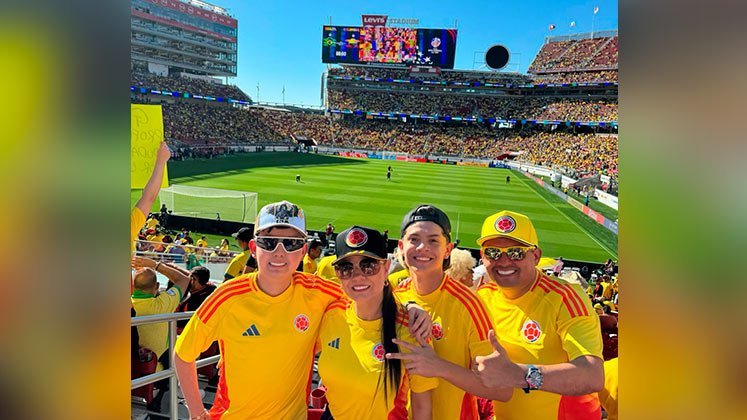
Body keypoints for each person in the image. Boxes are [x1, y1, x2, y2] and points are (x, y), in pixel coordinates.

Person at [174, 200, 344, 419]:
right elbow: (183, 354)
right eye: (269, 242)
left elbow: (368, 300)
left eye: (291, 244)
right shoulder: (227, 296)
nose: (279, 252)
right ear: (253, 249)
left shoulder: (320, 292)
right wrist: (197, 411)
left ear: (303, 250)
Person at [473, 210, 604, 419]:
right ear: (482, 257)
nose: (504, 261)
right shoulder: (482, 298)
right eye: (493, 253)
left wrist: (518, 374)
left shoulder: (564, 298)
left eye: (516, 252)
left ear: (535, 256)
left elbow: (592, 375)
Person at [386, 204, 511, 420]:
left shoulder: (469, 305)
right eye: (414, 239)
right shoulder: (395, 294)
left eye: (433, 240)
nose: (422, 247)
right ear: (400, 247)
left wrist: (438, 367)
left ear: (448, 249)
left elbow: (501, 390)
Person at [317, 226, 437, 419]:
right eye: (346, 268)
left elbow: (422, 407)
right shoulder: (330, 314)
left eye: (368, 265)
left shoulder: (412, 330)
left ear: (386, 267)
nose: (357, 276)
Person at [131, 255, 191, 411]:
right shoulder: (161, 305)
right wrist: (156, 265)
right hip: (156, 374)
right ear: (157, 286)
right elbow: (184, 280)